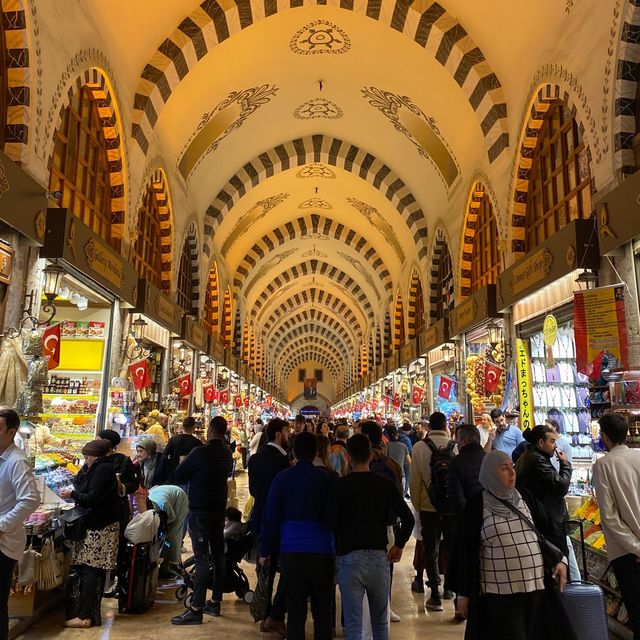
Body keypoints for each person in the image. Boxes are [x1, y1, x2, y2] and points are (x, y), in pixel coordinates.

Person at [447, 451, 573, 640]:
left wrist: (561, 560)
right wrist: (463, 594)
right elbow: (465, 551)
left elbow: (550, 529)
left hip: (536, 589)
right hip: (499, 596)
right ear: (490, 473)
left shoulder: (526, 497)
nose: (512, 472)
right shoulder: (477, 506)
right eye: (504, 468)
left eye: (511, 467)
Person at [325, 434, 414, 640]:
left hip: (349, 559)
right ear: (371, 455)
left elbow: (329, 522)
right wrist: (398, 545)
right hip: (379, 558)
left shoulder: (340, 485)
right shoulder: (383, 484)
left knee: (354, 624)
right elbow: (408, 518)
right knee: (380, 622)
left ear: (348, 457)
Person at [260, 432, 335, 640]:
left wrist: (265, 549)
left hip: (292, 552)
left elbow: (271, 516)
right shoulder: (327, 478)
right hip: (322, 551)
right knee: (322, 611)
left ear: (293, 452)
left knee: (295, 612)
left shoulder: (283, 478)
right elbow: (336, 514)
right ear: (316, 452)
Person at [171, 416, 233, 624]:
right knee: (218, 554)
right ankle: (215, 601)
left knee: (201, 558)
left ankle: (196, 608)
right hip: (218, 509)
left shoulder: (200, 453)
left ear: (211, 429)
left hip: (199, 510)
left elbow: (179, 474)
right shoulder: (227, 453)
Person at [59, 438, 120, 628]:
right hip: (98, 526)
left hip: (99, 528)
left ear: (94, 456)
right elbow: (80, 482)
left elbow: (91, 498)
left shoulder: (103, 470)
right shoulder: (98, 468)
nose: (85, 460)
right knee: (90, 569)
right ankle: (88, 614)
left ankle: (84, 616)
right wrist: (84, 470)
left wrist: (72, 495)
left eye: (86, 457)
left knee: (89, 569)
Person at [592, 413, 640, 639]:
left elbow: (609, 517)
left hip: (626, 553)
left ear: (605, 436)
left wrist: (636, 548)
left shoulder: (603, 465)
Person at [247, 418, 291, 636]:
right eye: (286, 430)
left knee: (265, 572)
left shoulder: (255, 459)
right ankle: (275, 615)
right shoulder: (283, 461)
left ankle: (265, 614)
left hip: (260, 517)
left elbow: (254, 491)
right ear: (277, 434)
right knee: (285, 569)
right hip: (280, 521)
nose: (289, 434)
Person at [409, 411, 455, 610]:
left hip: (429, 508)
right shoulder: (454, 448)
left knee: (431, 550)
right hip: (452, 508)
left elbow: (414, 480)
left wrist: (419, 506)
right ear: (446, 426)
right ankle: (451, 589)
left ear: (429, 427)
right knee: (451, 549)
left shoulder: (419, 447)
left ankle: (435, 594)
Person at [0, 408, 39, 640]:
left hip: (4, 543)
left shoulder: (17, 461)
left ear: (12, 432)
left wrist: (2, 525)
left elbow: (30, 499)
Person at [515, 424, 572, 557]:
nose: (555, 446)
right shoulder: (537, 460)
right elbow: (561, 486)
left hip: (541, 519)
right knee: (559, 561)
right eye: (552, 442)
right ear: (541, 442)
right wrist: (565, 464)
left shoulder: (530, 456)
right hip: (548, 523)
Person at [96, 429, 140, 597]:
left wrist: (122, 487)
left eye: (98, 440)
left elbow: (134, 484)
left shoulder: (122, 461)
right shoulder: (93, 459)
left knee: (120, 549)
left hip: (117, 511)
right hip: (99, 511)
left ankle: (120, 585)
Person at [148, 484, 189, 576]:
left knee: (172, 536)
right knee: (166, 537)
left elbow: (171, 517)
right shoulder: (150, 501)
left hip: (180, 500)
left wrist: (160, 527)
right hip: (170, 496)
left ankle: (174, 569)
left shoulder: (162, 504)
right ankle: (166, 565)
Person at [386, 425, 411, 498]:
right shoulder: (403, 446)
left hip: (388, 474)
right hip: (400, 474)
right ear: (397, 434)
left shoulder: (386, 446)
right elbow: (409, 462)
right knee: (400, 498)